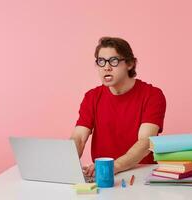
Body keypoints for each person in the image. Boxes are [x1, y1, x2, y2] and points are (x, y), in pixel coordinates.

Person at [70, 37, 166, 177]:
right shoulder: (91, 97)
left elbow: (146, 142)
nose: (106, 67)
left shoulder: (152, 95)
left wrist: (114, 166)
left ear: (130, 64)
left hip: (141, 174)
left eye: (113, 61)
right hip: (103, 174)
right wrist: (65, 164)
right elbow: (79, 137)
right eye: (101, 61)